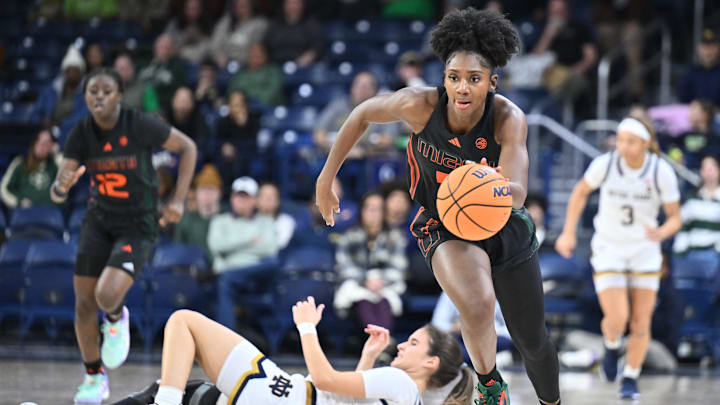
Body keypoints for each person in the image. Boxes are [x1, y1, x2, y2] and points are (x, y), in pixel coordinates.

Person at [315, 8, 560, 405]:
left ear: (492, 82)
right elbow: (361, 115)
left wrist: (493, 185)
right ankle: (490, 386)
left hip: (504, 226)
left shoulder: (508, 118)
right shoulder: (419, 105)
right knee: (477, 304)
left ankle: (552, 401)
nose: (462, 88)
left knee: (533, 341)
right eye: (454, 78)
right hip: (444, 224)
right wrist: (326, 178)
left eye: (474, 79)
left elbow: (518, 192)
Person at [49, 67, 197, 404]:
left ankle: (116, 319)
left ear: (119, 95)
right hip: (98, 221)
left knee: (105, 295)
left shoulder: (139, 124)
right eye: (92, 91)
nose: (98, 96)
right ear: (85, 97)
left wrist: (177, 200)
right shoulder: (81, 132)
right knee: (84, 304)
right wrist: (61, 186)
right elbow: (58, 190)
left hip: (138, 222)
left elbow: (188, 148)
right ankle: (93, 378)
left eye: (105, 90)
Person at [124, 298, 475, 405]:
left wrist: (307, 327)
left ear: (431, 362)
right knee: (181, 390)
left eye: (413, 343)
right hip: (288, 394)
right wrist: (367, 358)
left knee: (184, 321)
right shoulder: (403, 396)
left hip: (288, 396)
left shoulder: (402, 384)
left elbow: (324, 379)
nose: (402, 344)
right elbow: (342, 395)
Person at [555, 117, 681, 399]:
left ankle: (630, 377)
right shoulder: (606, 163)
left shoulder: (660, 171)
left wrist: (661, 232)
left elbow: (675, 218)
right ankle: (611, 345)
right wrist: (568, 232)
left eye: (630, 141)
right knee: (618, 317)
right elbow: (579, 192)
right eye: (621, 139)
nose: (623, 145)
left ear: (645, 144)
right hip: (609, 247)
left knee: (640, 321)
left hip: (644, 250)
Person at [208, 176, 278, 332]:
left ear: (255, 200)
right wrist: (250, 240)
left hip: (256, 275)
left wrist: (231, 248)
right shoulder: (219, 221)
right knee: (225, 282)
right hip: (231, 279)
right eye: (238, 196)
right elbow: (217, 246)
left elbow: (269, 249)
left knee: (273, 262)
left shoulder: (266, 221)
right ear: (232, 198)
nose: (241, 200)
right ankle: (227, 340)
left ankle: (227, 340)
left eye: (246, 197)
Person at [333, 192, 408, 334]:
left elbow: (399, 266)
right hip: (358, 284)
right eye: (369, 208)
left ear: (384, 212)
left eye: (377, 209)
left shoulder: (395, 236)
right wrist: (365, 280)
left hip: (386, 285)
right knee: (364, 299)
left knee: (384, 300)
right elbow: (344, 265)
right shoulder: (349, 236)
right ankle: (380, 342)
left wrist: (381, 281)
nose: (373, 213)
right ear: (362, 211)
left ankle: (381, 341)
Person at [672, 154, 720, 280]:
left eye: (712, 167)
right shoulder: (692, 199)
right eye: (705, 167)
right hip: (692, 253)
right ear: (701, 172)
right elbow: (680, 225)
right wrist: (679, 251)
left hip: (715, 253)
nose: (709, 171)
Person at [1, 129, 61, 209]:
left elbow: (70, 172)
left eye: (46, 143)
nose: (42, 146)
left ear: (51, 146)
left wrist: (57, 153)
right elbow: (4, 189)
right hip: (24, 214)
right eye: (39, 141)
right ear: (34, 143)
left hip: (51, 215)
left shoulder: (55, 164)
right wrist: (18, 201)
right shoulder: (20, 162)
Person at [174, 164, 223, 259]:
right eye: (203, 190)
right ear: (196, 193)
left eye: (211, 189)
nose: (207, 195)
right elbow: (178, 251)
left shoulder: (228, 217)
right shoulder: (186, 221)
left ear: (219, 193)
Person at [257, 182, 296, 250]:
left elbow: (281, 245)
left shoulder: (287, 221)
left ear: (278, 201)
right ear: (257, 200)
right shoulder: (248, 220)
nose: (268, 199)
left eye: (272, 196)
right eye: (264, 196)